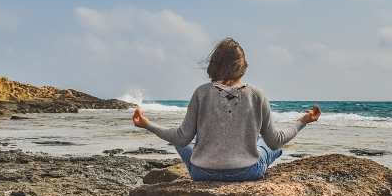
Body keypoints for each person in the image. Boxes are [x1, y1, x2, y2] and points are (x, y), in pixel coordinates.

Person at [132, 38, 321, 182]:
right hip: (246, 173)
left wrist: (146, 124)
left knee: (180, 135)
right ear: (242, 65)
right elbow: (276, 140)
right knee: (269, 144)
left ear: (214, 63)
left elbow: (181, 138)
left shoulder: (201, 93)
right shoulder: (257, 95)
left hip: (202, 173)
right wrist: (303, 120)